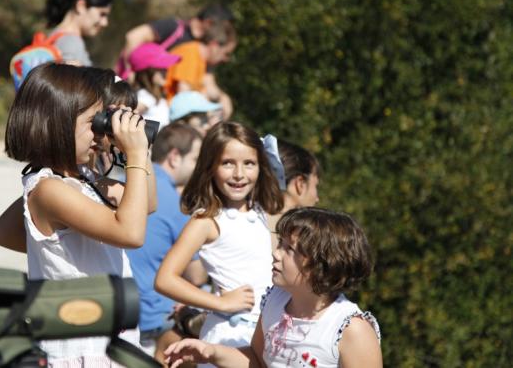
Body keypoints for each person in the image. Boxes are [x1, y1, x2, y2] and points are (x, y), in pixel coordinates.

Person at [2, 64, 153, 365]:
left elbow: (145, 204)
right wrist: (134, 155)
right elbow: (131, 234)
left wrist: (136, 152)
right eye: (92, 122)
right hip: (80, 348)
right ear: (56, 123)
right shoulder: (49, 190)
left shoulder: (83, 179)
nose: (100, 133)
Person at [163, 207, 383, 368]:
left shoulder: (350, 329)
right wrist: (210, 352)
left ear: (322, 264)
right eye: (280, 244)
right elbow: (257, 361)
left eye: (289, 249)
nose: (275, 254)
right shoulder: (275, 301)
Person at [155, 122, 284, 357]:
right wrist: (220, 303)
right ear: (211, 167)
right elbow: (165, 279)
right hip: (229, 336)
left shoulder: (263, 213)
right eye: (227, 163)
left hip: (265, 334)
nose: (239, 174)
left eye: (249, 164)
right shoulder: (206, 221)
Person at [126, 123, 203, 361]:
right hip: (156, 317)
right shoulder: (173, 202)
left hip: (125, 308)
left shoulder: (126, 183)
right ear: (174, 157)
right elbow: (197, 276)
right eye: (195, 159)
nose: (198, 167)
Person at [164, 20, 236, 117]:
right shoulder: (190, 54)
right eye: (226, 53)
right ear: (214, 45)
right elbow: (184, 94)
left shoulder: (202, 61)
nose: (225, 59)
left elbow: (210, 88)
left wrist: (223, 98)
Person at [43, 0, 113, 66]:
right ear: (81, 6)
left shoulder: (54, 36)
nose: (105, 23)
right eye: (102, 14)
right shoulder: (71, 42)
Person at [129, 43, 182, 128]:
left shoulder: (154, 96)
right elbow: (127, 116)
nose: (166, 72)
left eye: (166, 69)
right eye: (161, 69)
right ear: (148, 72)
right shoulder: (146, 97)